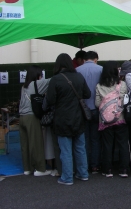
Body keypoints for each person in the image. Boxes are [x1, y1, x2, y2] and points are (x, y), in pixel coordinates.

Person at [46, 53, 91, 185]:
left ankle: (67, 177)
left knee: (65, 150)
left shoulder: (55, 79)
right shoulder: (79, 76)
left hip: (62, 118)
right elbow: (87, 94)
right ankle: (83, 173)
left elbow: (50, 100)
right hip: (78, 118)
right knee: (80, 148)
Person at [95, 61, 129, 178]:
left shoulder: (99, 86)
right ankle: (123, 169)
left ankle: (107, 170)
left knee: (107, 144)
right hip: (120, 118)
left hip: (105, 121)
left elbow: (97, 103)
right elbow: (125, 100)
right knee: (123, 143)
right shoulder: (122, 84)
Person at [19, 65, 51, 176]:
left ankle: (27, 168)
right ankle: (40, 169)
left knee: (25, 144)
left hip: (22, 118)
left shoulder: (24, 86)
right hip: (31, 117)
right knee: (36, 143)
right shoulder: (37, 83)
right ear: (38, 75)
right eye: (41, 75)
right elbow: (53, 80)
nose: (42, 77)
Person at [76, 51, 103, 174]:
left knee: (84, 138)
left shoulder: (77, 70)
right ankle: (95, 165)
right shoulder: (101, 69)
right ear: (95, 59)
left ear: (84, 59)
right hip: (97, 108)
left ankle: (84, 165)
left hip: (82, 109)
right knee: (95, 139)